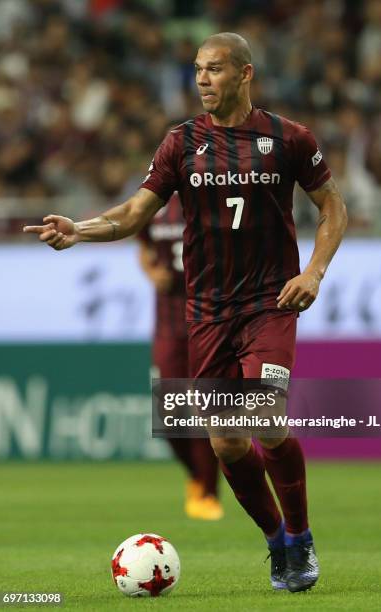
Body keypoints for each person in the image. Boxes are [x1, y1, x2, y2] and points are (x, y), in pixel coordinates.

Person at [24, 32, 347, 593]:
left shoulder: (288, 138)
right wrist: (80, 228)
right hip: (208, 312)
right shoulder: (181, 143)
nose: (201, 79)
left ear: (245, 75)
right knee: (225, 440)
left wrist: (313, 271)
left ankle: (301, 538)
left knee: (264, 422)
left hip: (271, 302)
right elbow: (131, 215)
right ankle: (275, 540)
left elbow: (333, 207)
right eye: (198, 69)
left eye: (215, 69)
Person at [138, 190, 222, 520]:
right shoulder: (155, 203)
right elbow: (144, 248)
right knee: (169, 414)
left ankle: (208, 492)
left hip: (207, 318)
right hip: (167, 323)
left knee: (206, 409)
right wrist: (150, 272)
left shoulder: (212, 199)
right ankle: (197, 476)